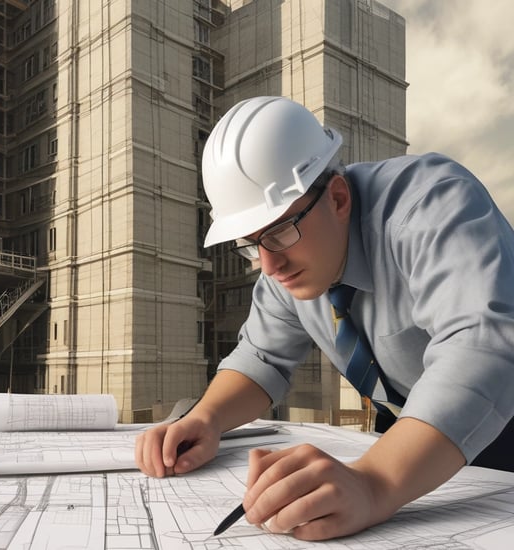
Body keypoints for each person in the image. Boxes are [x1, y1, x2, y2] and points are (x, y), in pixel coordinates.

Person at [134, 96, 514, 541]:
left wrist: (375, 484)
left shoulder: (431, 204)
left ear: (336, 197)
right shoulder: (288, 263)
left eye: (277, 232)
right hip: (409, 433)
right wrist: (207, 419)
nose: (269, 266)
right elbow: (261, 358)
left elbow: (483, 345)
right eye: (251, 244)